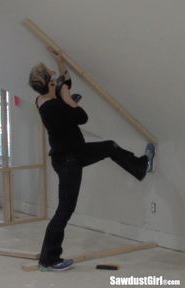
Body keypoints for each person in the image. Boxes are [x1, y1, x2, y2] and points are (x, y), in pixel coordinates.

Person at [28, 47, 156, 272]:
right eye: (51, 74)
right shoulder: (55, 107)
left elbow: (64, 84)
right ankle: (49, 259)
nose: (54, 76)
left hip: (73, 153)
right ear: (48, 84)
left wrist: (61, 65)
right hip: (69, 161)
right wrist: (70, 101)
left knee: (109, 147)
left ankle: (139, 166)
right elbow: (82, 117)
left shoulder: (41, 99)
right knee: (65, 210)